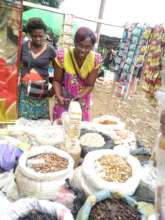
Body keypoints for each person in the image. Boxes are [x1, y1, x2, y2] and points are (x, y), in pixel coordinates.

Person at [53, 27, 102, 121]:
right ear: (74, 42)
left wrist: (79, 97)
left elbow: (90, 85)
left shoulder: (95, 59)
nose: (83, 50)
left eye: (88, 47)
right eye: (80, 45)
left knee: (79, 126)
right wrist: (59, 96)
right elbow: (57, 81)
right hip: (64, 99)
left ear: (92, 47)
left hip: (81, 100)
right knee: (61, 125)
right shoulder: (62, 55)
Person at [18, 18, 56, 119]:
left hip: (41, 94)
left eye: (41, 36)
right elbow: (16, 65)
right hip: (24, 93)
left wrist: (53, 89)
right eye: (35, 36)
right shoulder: (24, 47)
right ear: (29, 34)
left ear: (45, 34)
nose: (38, 39)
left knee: (40, 125)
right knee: (23, 124)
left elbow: (58, 71)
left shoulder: (50, 50)